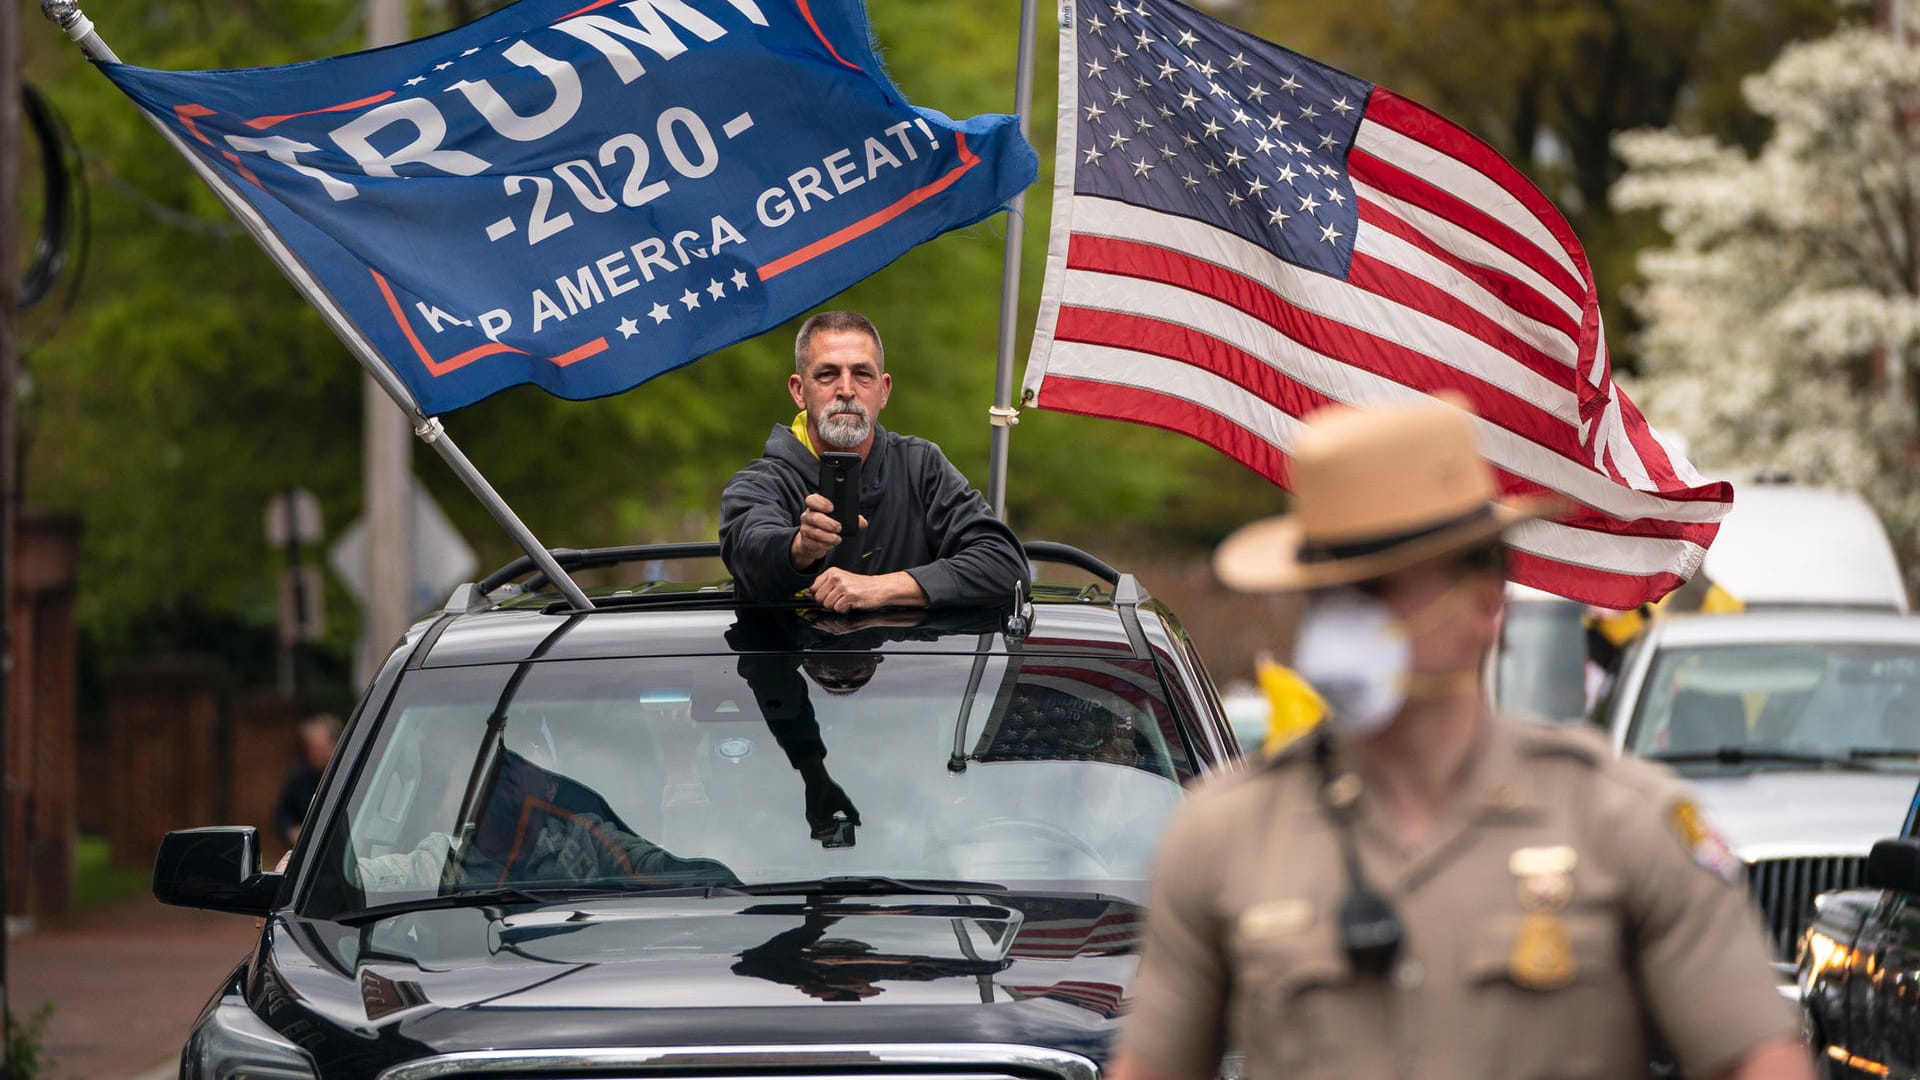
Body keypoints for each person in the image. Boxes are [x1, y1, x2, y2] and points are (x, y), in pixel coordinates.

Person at [1108, 397, 1812, 1080]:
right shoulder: (1222, 836)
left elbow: (1754, 1056)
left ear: (1482, 603)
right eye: (1326, 595)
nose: (1340, 626)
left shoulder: (1622, 823)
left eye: (1379, 592)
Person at [719, 310, 1029, 612]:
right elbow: (748, 553)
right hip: (788, 663)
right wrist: (800, 547)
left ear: (884, 391)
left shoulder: (921, 466)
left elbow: (1005, 565)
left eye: (862, 374)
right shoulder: (759, 483)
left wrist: (881, 588)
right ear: (799, 391)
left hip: (911, 665)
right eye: (827, 374)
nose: (846, 390)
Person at [274, 712, 341, 848]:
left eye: (321, 748)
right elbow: (281, 813)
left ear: (336, 745)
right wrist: (292, 830)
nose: (316, 754)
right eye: (312, 748)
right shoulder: (299, 776)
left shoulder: (345, 776)